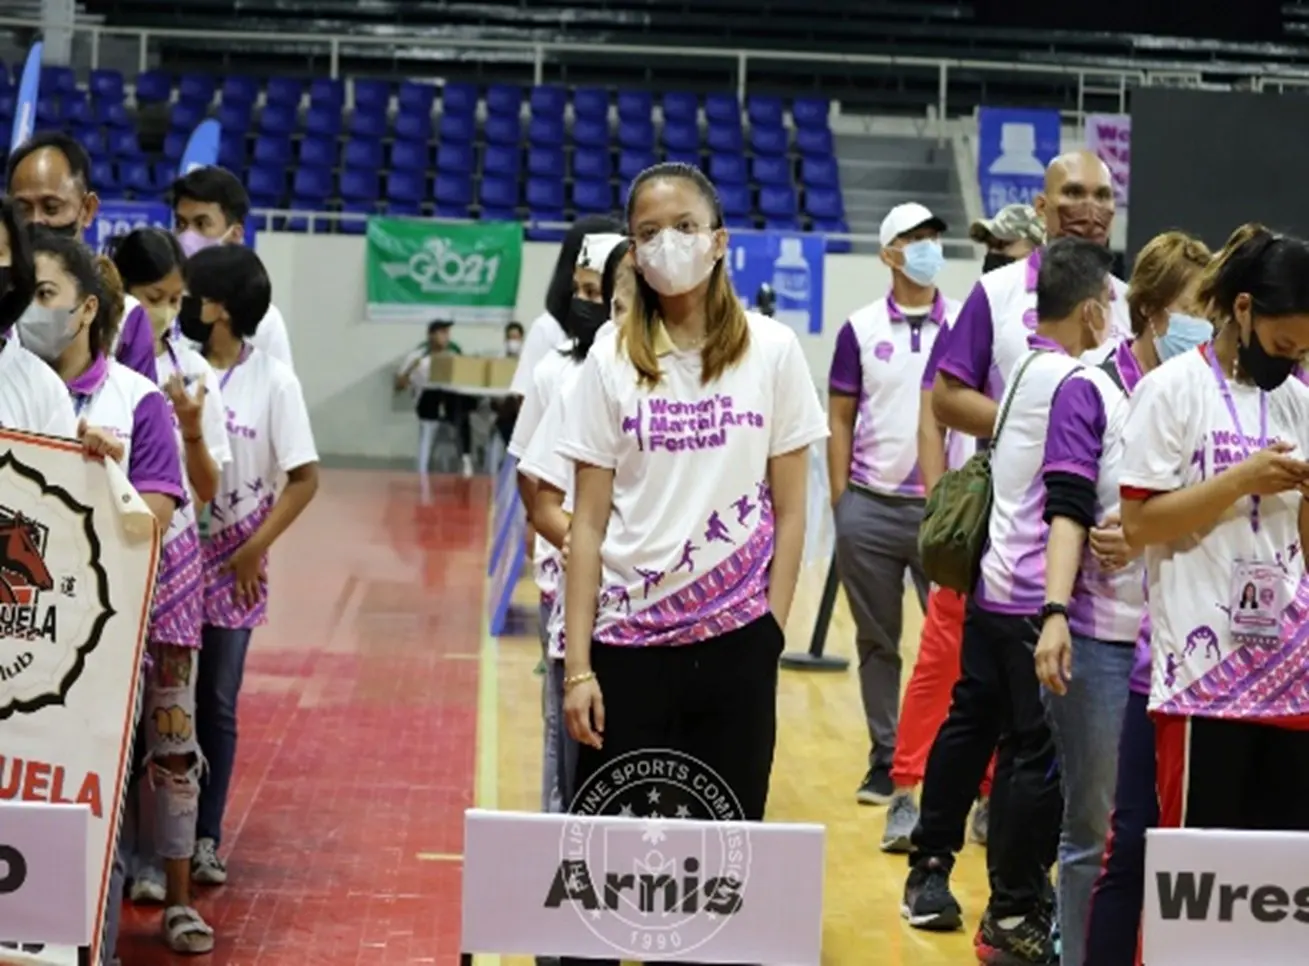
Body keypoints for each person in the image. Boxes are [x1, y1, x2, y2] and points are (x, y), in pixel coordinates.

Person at [558, 162, 827, 966]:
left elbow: (790, 510)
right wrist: (578, 667)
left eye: (682, 227)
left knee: (714, 873)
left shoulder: (774, 353)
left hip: (736, 647)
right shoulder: (608, 358)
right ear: (632, 255)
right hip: (626, 650)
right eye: (647, 233)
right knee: (608, 882)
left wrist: (770, 630)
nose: (665, 244)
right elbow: (587, 525)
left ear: (719, 241)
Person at [903, 238, 1115, 964]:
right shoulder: (1076, 383)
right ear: (1093, 311)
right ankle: (1014, 912)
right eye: (1111, 306)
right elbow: (1067, 498)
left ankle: (940, 864)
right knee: (1035, 756)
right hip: (1035, 597)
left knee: (974, 725)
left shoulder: (1024, 363)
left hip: (994, 588)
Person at [1033, 230, 1211, 966]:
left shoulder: (1204, 392)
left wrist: (1142, 532)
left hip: (1187, 644)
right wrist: (1052, 614)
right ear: (1151, 313)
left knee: (1166, 832)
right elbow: (1067, 509)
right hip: (1104, 641)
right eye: (1192, 310)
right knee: (1096, 833)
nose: (1205, 327)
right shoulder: (1088, 388)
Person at [1119, 221, 1309, 860]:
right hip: (1205, 683)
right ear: (1244, 309)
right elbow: (1140, 524)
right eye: (1283, 344)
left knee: (1280, 892)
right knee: (1194, 889)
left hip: (1293, 679)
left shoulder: (1299, 404)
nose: (1289, 363)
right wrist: (1242, 480)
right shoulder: (1171, 392)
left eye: (1302, 354)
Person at [23, 230, 187, 963]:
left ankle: (99, 949)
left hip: (100, 652)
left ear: (88, 308)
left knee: (95, 815)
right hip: (16, 644)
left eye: (45, 295)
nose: (29, 309)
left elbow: (152, 520)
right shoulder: (11, 384)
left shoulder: (137, 402)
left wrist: (98, 478)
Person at [885, 208, 1049, 855]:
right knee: (940, 658)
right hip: (976, 513)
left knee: (1004, 676)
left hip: (1035, 518)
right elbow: (935, 412)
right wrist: (937, 496)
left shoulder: (1061, 317)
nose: (994, 261)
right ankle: (903, 786)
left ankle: (987, 797)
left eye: (1005, 250)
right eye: (987, 251)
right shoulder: (975, 313)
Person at [108, 227, 232, 951]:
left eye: (174, 300)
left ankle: (182, 898)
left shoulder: (189, 372)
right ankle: (104, 892)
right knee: (106, 743)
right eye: (150, 299)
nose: (162, 314)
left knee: (173, 738)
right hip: (101, 569)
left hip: (174, 565)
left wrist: (188, 428)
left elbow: (206, 489)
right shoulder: (82, 375)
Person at [182, 244, 319, 888]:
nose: (183, 301)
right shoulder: (174, 364)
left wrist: (253, 549)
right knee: (167, 699)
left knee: (217, 700)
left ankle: (206, 836)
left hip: (237, 562)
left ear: (220, 307)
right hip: (179, 552)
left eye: (193, 292)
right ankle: (162, 842)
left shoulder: (276, 381)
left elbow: (304, 479)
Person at [827, 201, 954, 806]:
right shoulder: (858, 328)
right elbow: (840, 416)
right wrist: (841, 503)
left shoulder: (964, 323)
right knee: (877, 644)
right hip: (870, 509)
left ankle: (943, 760)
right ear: (888, 253)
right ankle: (885, 759)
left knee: (953, 644)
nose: (930, 247)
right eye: (916, 238)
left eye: (934, 236)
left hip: (944, 514)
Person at [518, 230, 628, 854]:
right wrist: (589, 553)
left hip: (649, 604)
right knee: (570, 742)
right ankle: (562, 873)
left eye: (608, 297)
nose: (598, 310)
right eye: (588, 296)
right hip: (574, 586)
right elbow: (535, 485)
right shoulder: (565, 372)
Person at [931, 150, 1129, 443]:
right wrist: (1033, 426)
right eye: (1073, 193)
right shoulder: (995, 292)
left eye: (1102, 195)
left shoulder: (1130, 303)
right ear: (1041, 206)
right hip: (1018, 486)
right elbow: (946, 398)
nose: (1090, 210)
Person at [6, 130, 158, 382]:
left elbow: (145, 407)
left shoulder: (127, 317)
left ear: (87, 209)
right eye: (22, 209)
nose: (36, 221)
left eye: (51, 208)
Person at [168, 165, 295, 369]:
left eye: (201, 224)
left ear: (234, 235)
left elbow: (278, 390)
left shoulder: (264, 321)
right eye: (181, 224)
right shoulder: (159, 305)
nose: (187, 237)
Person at [397, 319, 479, 478]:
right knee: (435, 393)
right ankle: (422, 469)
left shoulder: (454, 352)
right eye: (441, 333)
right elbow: (398, 385)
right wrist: (410, 371)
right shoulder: (418, 354)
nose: (446, 337)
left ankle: (465, 457)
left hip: (451, 400)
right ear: (431, 335)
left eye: (447, 333)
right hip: (427, 401)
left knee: (462, 406)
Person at [970, 203, 1046, 275]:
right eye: (990, 245)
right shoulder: (988, 285)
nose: (994, 252)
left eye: (1001, 245)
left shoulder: (1050, 282)